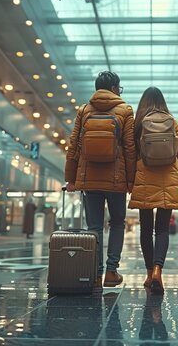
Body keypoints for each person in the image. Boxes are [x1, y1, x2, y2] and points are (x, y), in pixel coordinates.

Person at [128, 86, 178, 294]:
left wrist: (129, 181)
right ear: (162, 102)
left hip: (144, 180)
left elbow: (129, 156)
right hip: (168, 181)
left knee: (146, 229)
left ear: (143, 103)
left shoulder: (138, 125)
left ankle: (148, 274)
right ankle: (157, 271)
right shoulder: (172, 122)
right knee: (162, 229)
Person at [64, 71, 136, 288]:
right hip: (116, 179)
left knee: (94, 226)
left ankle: (95, 274)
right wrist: (131, 180)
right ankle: (112, 272)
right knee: (117, 223)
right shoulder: (125, 110)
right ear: (115, 88)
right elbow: (130, 148)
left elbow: (74, 145)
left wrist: (71, 179)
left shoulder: (84, 110)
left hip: (89, 179)